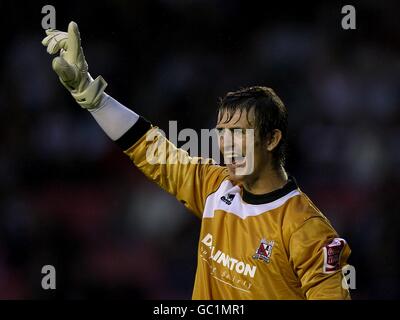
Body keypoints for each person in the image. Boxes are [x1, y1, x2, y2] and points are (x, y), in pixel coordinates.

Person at [42, 21, 352, 299]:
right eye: (222, 133)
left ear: (272, 139)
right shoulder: (215, 187)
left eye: (240, 133)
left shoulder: (305, 229)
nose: (228, 145)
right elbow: (150, 148)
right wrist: (92, 96)